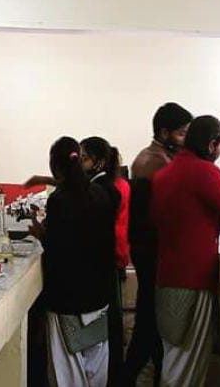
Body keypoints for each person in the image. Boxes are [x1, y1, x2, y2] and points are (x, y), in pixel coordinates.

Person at [150, 115, 220, 387]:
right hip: (193, 278)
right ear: (211, 144)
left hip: (167, 275)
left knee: (174, 352)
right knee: (188, 360)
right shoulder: (203, 171)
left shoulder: (166, 173)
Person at [30, 137, 117, 387]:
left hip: (67, 299)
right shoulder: (100, 193)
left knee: (67, 371)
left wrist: (41, 234)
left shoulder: (59, 200)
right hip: (98, 295)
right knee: (95, 365)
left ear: (54, 166)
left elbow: (59, 248)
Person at [124, 102, 193, 387]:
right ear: (164, 133)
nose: (186, 140)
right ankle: (129, 376)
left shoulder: (154, 155)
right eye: (182, 133)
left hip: (146, 246)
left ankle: (145, 374)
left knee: (150, 318)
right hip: (151, 249)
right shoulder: (157, 161)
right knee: (150, 320)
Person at [80, 136, 128, 386]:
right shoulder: (109, 184)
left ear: (98, 162)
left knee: (109, 324)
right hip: (113, 257)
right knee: (112, 322)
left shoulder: (101, 189)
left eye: (84, 158)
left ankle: (114, 376)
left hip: (110, 258)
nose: (80, 163)